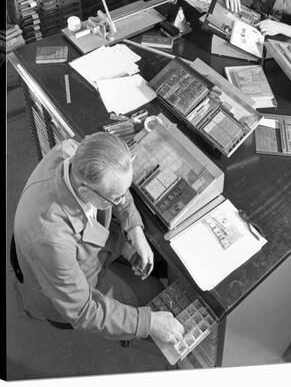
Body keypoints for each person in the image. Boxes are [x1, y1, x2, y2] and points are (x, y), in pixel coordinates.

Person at [14, 132, 185, 344]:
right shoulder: (50, 238)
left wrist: (133, 228)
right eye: (116, 199)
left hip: (88, 253)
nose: (122, 200)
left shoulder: (74, 152)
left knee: (156, 264)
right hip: (73, 292)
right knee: (158, 304)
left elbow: (115, 189)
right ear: (85, 193)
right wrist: (148, 323)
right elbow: (82, 311)